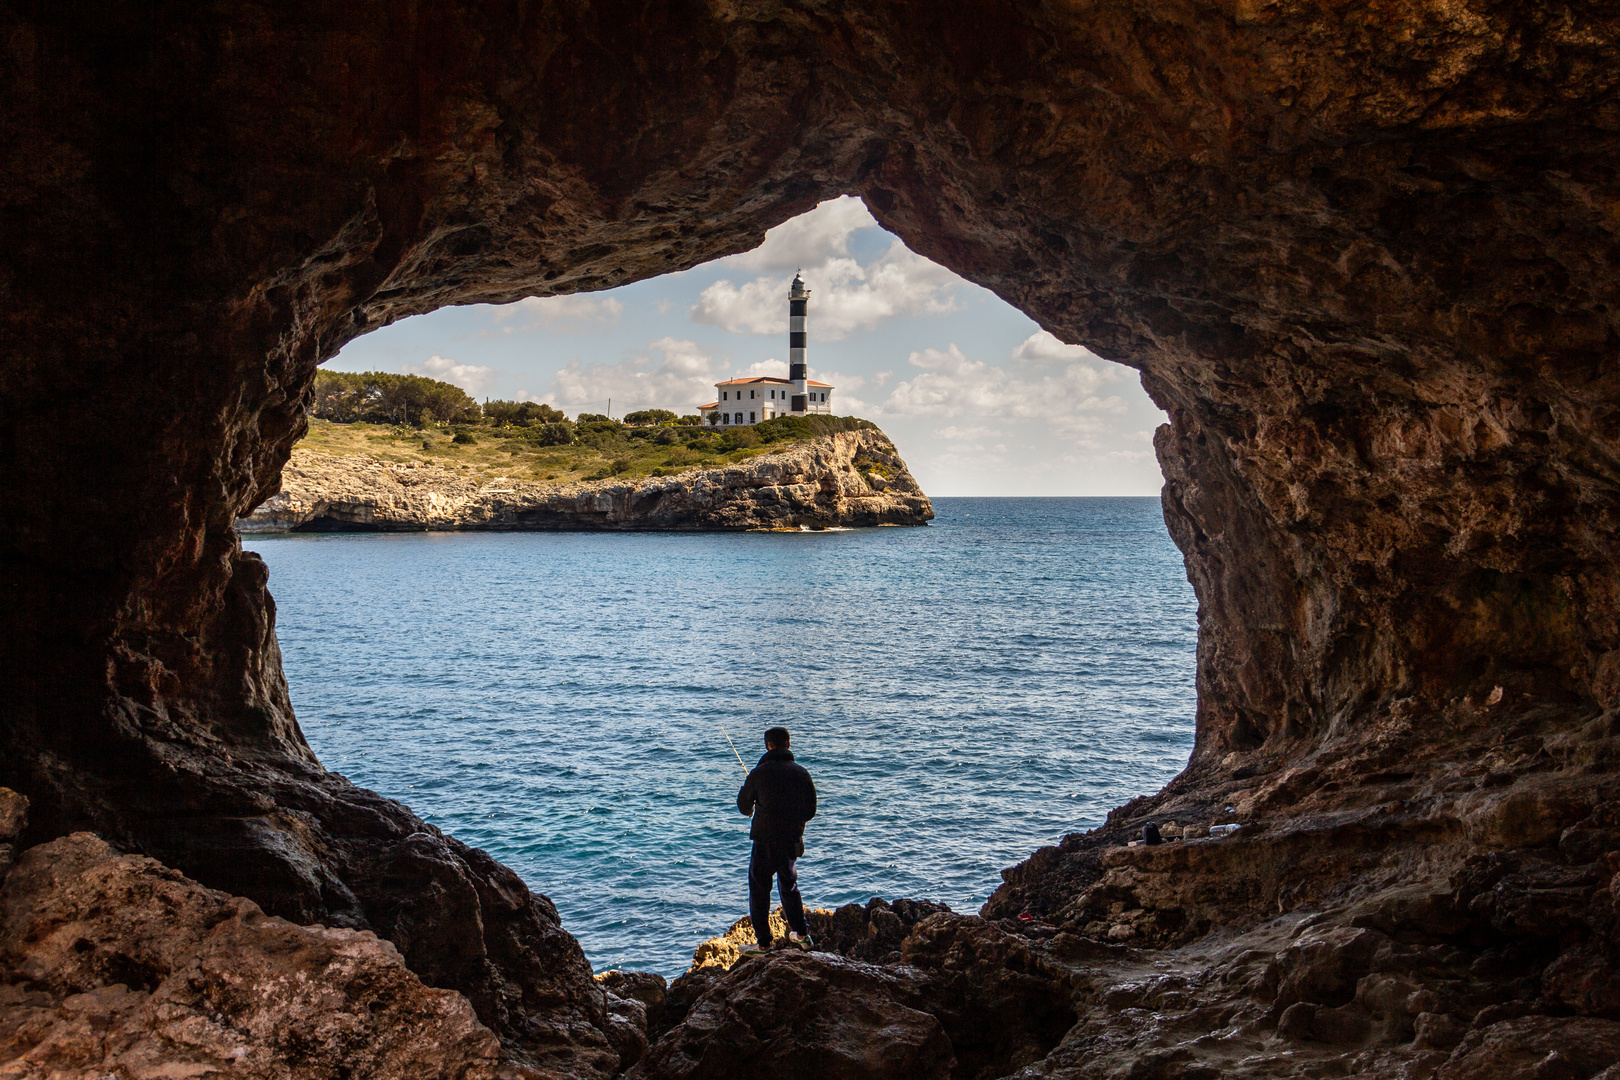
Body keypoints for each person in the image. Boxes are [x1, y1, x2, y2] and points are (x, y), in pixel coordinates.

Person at [736, 726, 817, 953]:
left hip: (764, 840)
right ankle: (802, 935)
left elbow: (743, 807)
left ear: (767, 746)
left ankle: (763, 943)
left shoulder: (758, 773)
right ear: (788, 745)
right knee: (789, 885)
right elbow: (810, 811)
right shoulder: (802, 773)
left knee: (760, 888)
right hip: (791, 840)